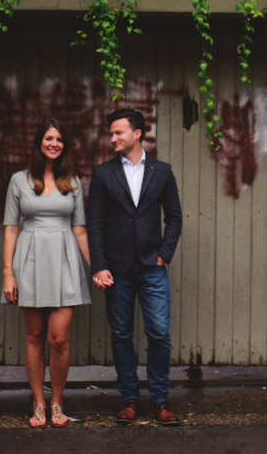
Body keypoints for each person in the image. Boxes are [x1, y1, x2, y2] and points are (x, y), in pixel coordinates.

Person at [88, 108, 183, 426]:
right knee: (121, 334)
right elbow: (96, 223)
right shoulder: (102, 174)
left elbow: (175, 217)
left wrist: (163, 255)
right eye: (111, 133)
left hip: (152, 266)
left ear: (137, 133)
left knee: (159, 333)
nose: (112, 138)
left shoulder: (162, 171)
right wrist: (99, 266)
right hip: (117, 269)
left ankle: (160, 401)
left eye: (118, 132)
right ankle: (129, 399)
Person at [1, 119, 91, 429]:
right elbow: (11, 227)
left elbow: (79, 229)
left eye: (59, 139)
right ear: (39, 142)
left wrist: (96, 267)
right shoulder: (19, 181)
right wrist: (7, 273)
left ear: (64, 145)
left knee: (59, 338)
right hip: (30, 262)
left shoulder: (73, 182)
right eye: (48, 138)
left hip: (65, 263)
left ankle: (57, 402)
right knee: (35, 335)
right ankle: (38, 403)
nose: (54, 143)